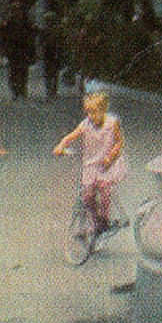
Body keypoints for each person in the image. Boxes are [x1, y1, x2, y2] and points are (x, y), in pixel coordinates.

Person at [53, 90, 127, 234]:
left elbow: (119, 142)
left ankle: (104, 219)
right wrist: (61, 145)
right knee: (87, 196)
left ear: (103, 110)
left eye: (94, 112)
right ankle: (96, 220)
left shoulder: (112, 123)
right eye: (88, 112)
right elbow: (71, 136)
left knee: (104, 189)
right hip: (92, 163)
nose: (91, 115)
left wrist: (111, 156)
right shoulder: (86, 124)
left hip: (108, 163)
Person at [0, 4, 34, 100]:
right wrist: (4, 50)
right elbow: (2, 36)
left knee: (23, 71)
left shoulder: (26, 22)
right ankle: (15, 90)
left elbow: (31, 36)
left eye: (18, 10)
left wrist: (31, 50)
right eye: (15, 10)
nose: (17, 12)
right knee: (14, 71)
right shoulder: (8, 23)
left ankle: (22, 89)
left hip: (24, 49)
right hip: (13, 50)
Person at [38, 10, 64, 101]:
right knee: (48, 72)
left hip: (55, 52)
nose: (48, 22)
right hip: (47, 52)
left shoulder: (57, 30)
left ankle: (53, 90)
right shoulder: (44, 30)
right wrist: (40, 51)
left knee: (54, 72)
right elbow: (40, 42)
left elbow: (61, 41)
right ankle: (49, 90)